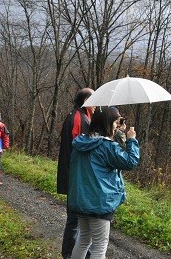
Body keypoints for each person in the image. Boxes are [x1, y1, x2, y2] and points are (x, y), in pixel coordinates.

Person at [68, 106, 140, 259]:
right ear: (107, 123)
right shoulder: (106, 146)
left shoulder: (81, 142)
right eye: (115, 122)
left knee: (83, 239)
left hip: (82, 200)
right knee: (100, 245)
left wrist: (118, 133)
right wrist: (132, 139)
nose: (117, 125)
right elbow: (130, 162)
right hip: (99, 202)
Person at [57, 87, 95, 259]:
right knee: (75, 221)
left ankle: (71, 254)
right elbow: (82, 149)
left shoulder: (76, 115)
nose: (97, 104)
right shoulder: (80, 119)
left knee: (76, 221)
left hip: (73, 176)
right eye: (94, 99)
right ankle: (70, 255)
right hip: (76, 178)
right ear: (86, 101)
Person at [0, 113, 11, 186]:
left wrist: (5, 147)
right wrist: (5, 147)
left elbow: (5, 136)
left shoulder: (2, 126)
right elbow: (6, 136)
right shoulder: (2, 126)